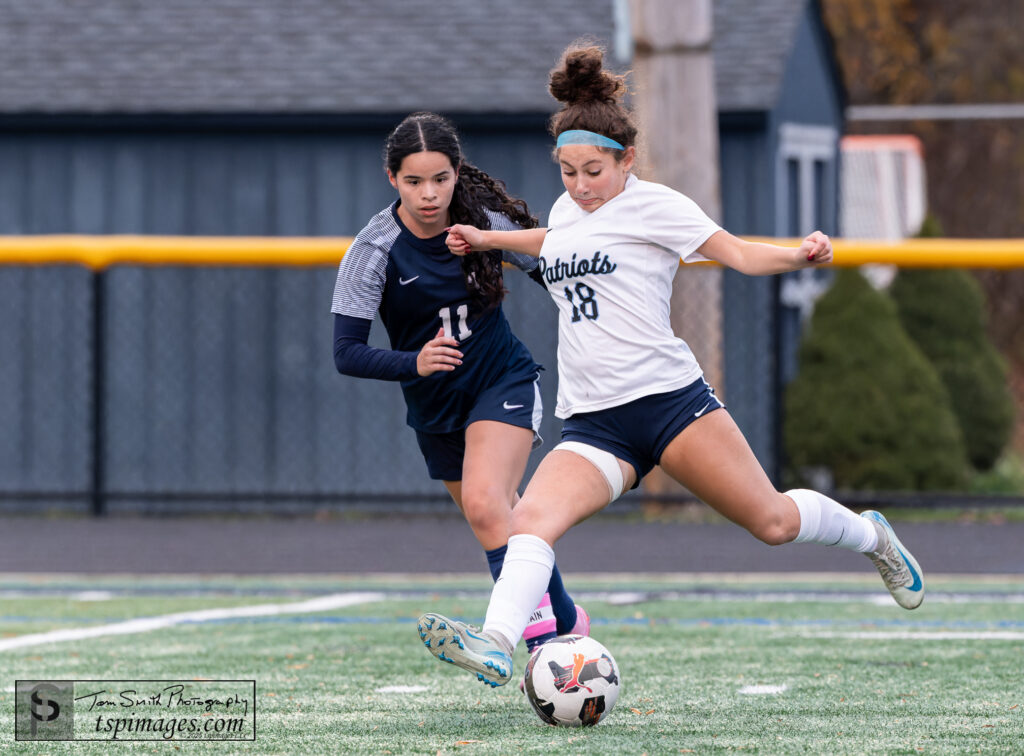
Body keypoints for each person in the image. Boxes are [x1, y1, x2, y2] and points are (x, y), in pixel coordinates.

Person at [417, 45, 924, 687]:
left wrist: (798, 255)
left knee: (771, 522)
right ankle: (495, 643)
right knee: (530, 521)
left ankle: (872, 535)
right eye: (567, 170)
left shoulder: (658, 206)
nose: (578, 185)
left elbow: (737, 255)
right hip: (595, 424)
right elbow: (556, 238)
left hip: (670, 405)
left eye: (593, 170)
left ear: (626, 159)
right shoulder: (574, 210)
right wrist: (491, 240)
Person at [332, 112, 588, 655]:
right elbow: (346, 353)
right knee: (504, 520)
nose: (430, 194)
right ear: (391, 178)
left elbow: (560, 268)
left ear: (456, 172)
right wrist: (413, 363)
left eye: (441, 179)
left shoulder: (482, 223)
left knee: (485, 503)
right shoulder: (374, 249)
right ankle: (565, 619)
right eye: (414, 181)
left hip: (503, 380)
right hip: (434, 408)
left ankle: (529, 647)